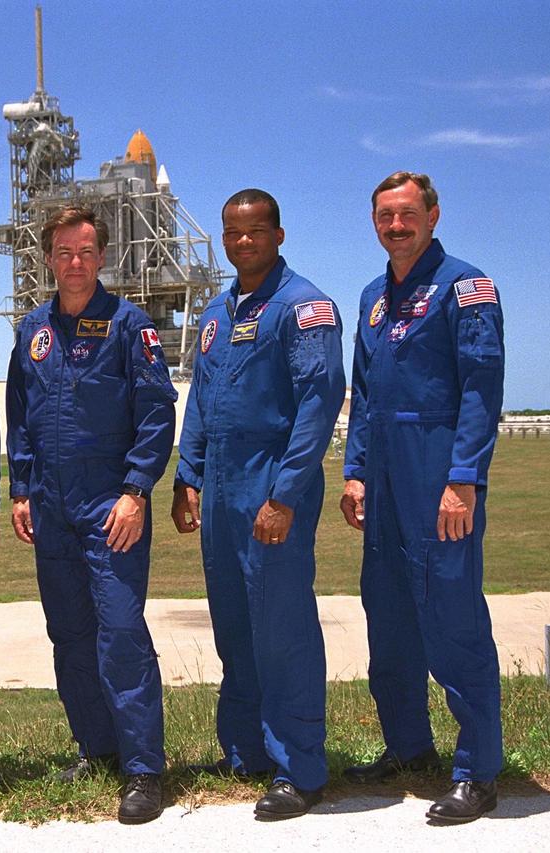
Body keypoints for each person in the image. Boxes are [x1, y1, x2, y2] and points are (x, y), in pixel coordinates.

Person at [171, 189, 344, 819]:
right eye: (232, 232)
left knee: (282, 626)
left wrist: (285, 495)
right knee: (235, 622)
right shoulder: (218, 312)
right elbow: (200, 399)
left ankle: (299, 767)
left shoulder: (303, 307)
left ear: (278, 234)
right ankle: (246, 750)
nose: (242, 242)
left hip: (270, 478)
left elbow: (318, 405)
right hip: (219, 482)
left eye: (254, 231)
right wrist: (187, 475)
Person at [340, 171, 505, 823]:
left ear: (433, 215)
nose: (397, 225)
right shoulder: (373, 298)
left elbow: (481, 388)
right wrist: (354, 471)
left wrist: (463, 477)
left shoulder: (466, 288)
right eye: (386, 215)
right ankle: (408, 746)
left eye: (408, 213)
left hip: (439, 474)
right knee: (390, 615)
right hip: (382, 478)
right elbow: (364, 393)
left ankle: (478, 770)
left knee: (453, 619)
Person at [5, 205, 177, 825]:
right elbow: (19, 415)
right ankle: (97, 746)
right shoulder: (32, 330)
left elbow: (157, 411)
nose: (74, 263)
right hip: (51, 507)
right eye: (63, 253)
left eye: (85, 252)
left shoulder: (131, 326)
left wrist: (137, 490)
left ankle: (142, 768)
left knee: (122, 634)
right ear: (48, 258)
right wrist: (21, 488)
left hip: (112, 506)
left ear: (101, 257)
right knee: (71, 636)